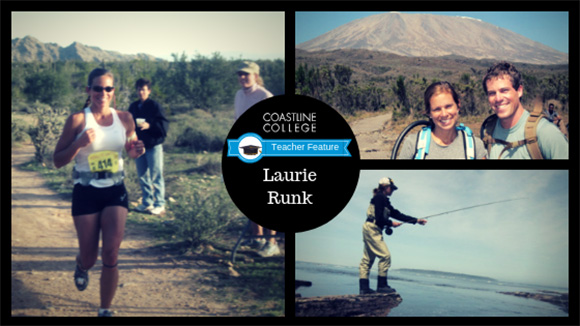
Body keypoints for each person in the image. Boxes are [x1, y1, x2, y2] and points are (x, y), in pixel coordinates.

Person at [53, 68, 145, 317]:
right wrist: (78, 143)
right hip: (86, 191)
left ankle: (105, 309)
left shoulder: (125, 118)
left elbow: (131, 149)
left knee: (111, 252)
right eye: (97, 88)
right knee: (90, 256)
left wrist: (137, 149)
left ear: (113, 92)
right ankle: (81, 265)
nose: (102, 93)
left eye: (108, 88)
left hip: (115, 190)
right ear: (88, 90)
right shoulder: (77, 120)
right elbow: (57, 160)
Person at [233, 61, 278, 257]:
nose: (243, 77)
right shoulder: (238, 95)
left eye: (247, 74)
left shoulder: (265, 96)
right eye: (240, 74)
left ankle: (272, 242)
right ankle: (256, 239)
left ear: (256, 76)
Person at [482, 61, 568, 159]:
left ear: (519, 91)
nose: (498, 98)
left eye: (504, 90)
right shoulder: (487, 131)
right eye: (492, 93)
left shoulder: (545, 133)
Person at [359, 177, 427, 295]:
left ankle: (364, 289)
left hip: (372, 228)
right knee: (385, 256)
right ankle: (381, 286)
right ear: (385, 187)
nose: (393, 191)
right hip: (372, 228)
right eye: (392, 188)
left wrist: (416, 220)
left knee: (368, 259)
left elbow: (397, 214)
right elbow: (379, 217)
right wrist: (391, 223)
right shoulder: (380, 197)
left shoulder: (384, 200)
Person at [398, 81, 487, 159]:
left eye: (448, 106)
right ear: (429, 113)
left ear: (458, 105)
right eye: (437, 109)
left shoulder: (475, 145)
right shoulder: (413, 144)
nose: (444, 114)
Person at [128, 78, 169, 215]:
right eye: (139, 89)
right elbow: (128, 123)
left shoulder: (155, 106)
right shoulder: (133, 107)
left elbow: (163, 124)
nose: (141, 92)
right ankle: (147, 202)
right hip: (139, 145)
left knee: (156, 174)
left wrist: (150, 125)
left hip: (153, 145)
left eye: (143, 89)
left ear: (149, 91)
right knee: (142, 175)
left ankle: (160, 204)